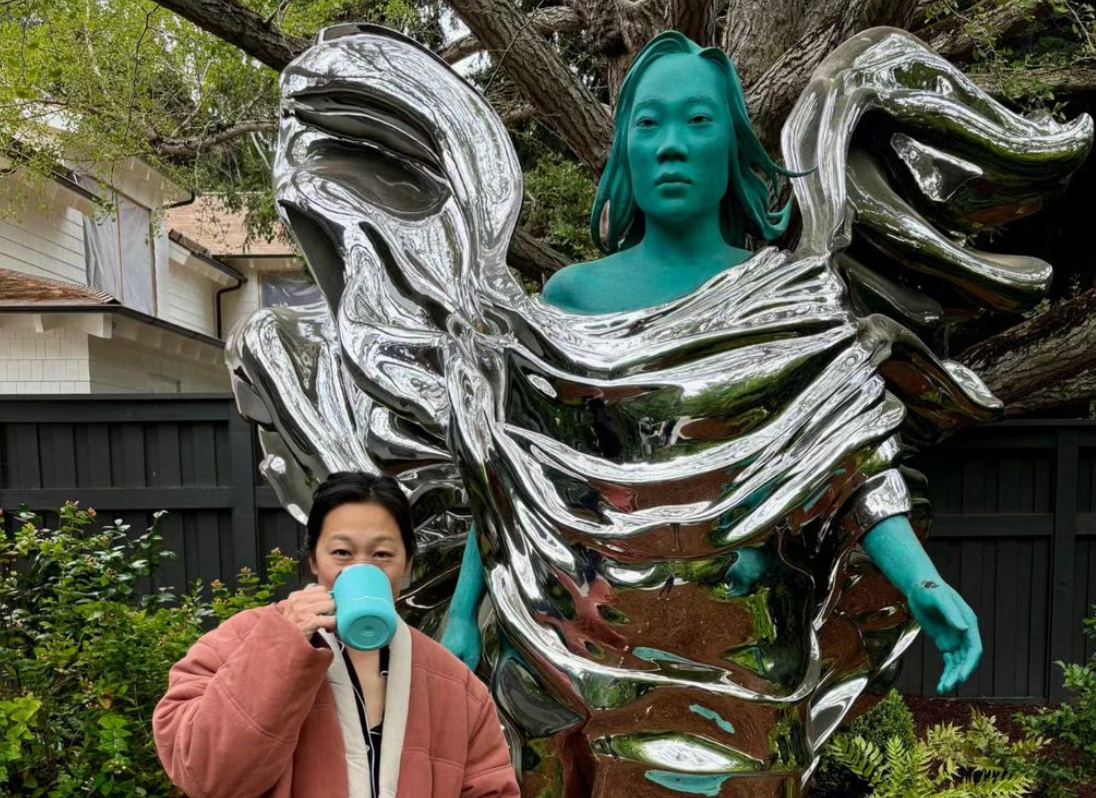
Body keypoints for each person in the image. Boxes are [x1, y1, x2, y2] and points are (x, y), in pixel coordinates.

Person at [153, 471, 520, 798]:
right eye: (341, 552)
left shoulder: (456, 686)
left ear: (407, 565)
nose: (361, 567)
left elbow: (492, 789)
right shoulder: (239, 642)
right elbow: (203, 776)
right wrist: (282, 644)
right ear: (313, 559)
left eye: (382, 554)